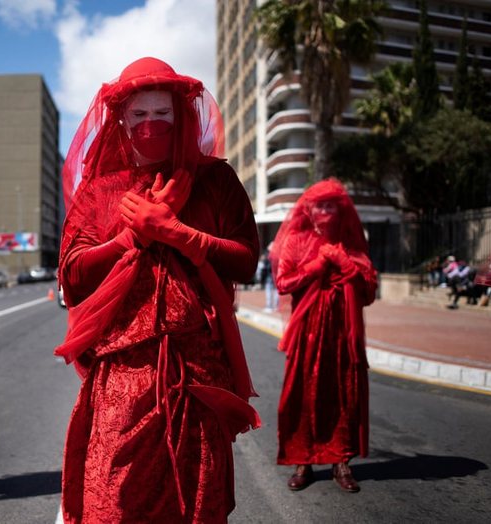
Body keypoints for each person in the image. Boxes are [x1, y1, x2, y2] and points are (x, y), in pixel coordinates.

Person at [55, 57, 260, 523]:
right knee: (114, 498)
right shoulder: (100, 191)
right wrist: (129, 240)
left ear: (180, 115)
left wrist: (183, 236)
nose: (151, 125)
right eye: (140, 116)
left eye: (161, 114)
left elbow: (246, 260)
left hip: (198, 367)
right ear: (123, 121)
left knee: (195, 499)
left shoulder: (216, 181)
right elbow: (72, 274)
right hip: (123, 370)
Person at [270, 179, 377, 493]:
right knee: (303, 392)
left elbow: (369, 291)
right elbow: (284, 283)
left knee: (344, 391)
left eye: (332, 205)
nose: (327, 210)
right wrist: (319, 264)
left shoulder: (351, 243)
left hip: (344, 331)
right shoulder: (296, 240)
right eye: (321, 205)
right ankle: (302, 459)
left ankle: (341, 461)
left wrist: (345, 264)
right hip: (309, 331)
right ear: (310, 210)